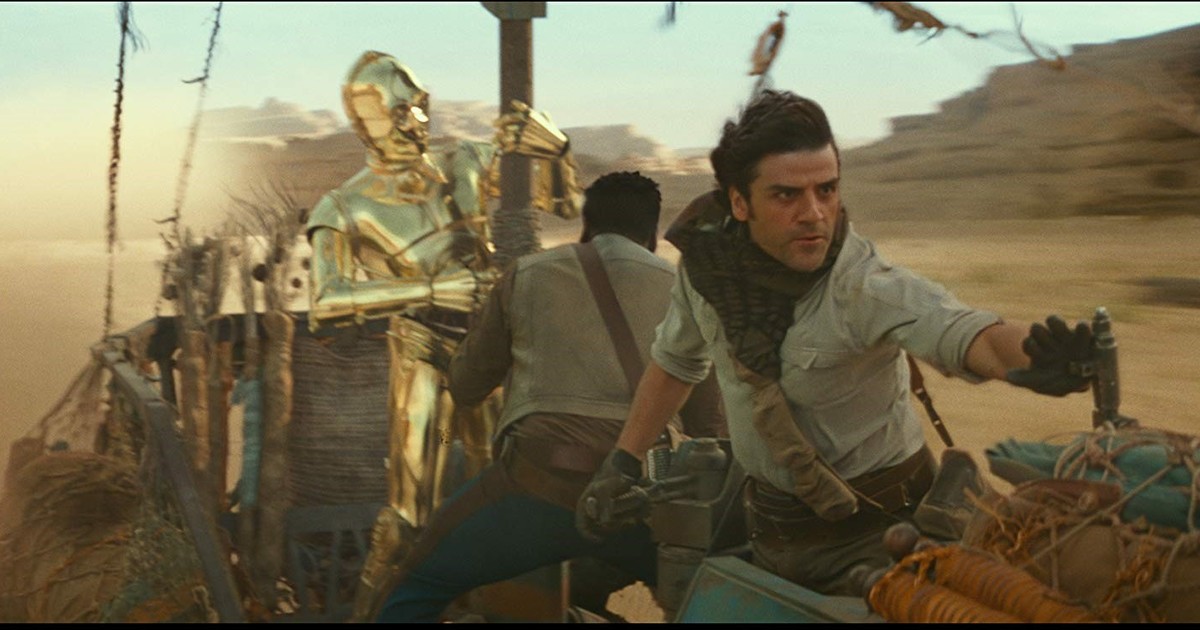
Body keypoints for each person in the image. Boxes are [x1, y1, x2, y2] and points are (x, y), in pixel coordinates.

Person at [575, 90, 1098, 597]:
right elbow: (674, 364)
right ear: (739, 202)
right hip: (769, 531)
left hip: (883, 538)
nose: (814, 213)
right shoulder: (707, 271)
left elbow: (969, 334)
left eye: (826, 190)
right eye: (787, 195)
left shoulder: (864, 286)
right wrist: (622, 461)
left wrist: (1034, 357)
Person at [304, 50, 585, 620]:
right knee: (408, 520)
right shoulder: (344, 207)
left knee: (507, 500)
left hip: (493, 353)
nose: (416, 122)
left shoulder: (467, 163)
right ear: (365, 124)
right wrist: (430, 289)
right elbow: (325, 305)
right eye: (399, 112)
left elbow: (565, 204)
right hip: (423, 356)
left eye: (421, 106)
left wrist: (555, 150)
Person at [372, 171, 727, 622]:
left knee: (419, 583)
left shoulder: (527, 274)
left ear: (586, 227)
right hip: (639, 500)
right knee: (711, 600)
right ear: (652, 236)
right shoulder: (684, 289)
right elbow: (708, 424)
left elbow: (465, 386)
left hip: (536, 487)